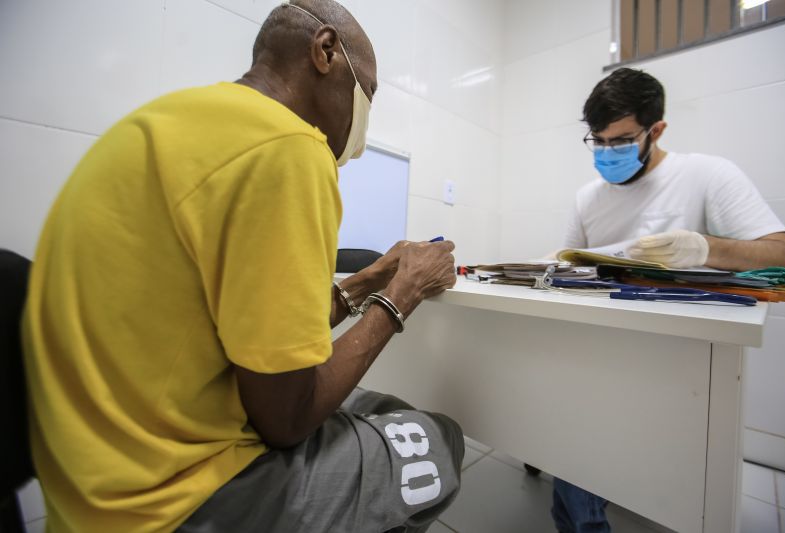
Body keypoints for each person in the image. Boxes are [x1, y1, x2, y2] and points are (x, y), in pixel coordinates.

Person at [22, 1, 464, 532]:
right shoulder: (291, 148)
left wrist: (366, 282)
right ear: (325, 52)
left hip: (89, 492)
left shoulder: (160, 123)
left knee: (383, 404)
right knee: (438, 437)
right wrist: (404, 294)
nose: (361, 126)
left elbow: (244, 334)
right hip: (174, 504)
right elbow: (286, 420)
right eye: (366, 96)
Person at [551, 67, 785, 532]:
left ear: (656, 129)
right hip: (602, 347)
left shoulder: (707, 175)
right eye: (597, 142)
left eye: (619, 141)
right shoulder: (588, 197)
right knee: (577, 431)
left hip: (681, 359)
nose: (607, 153)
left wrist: (706, 248)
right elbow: (566, 262)